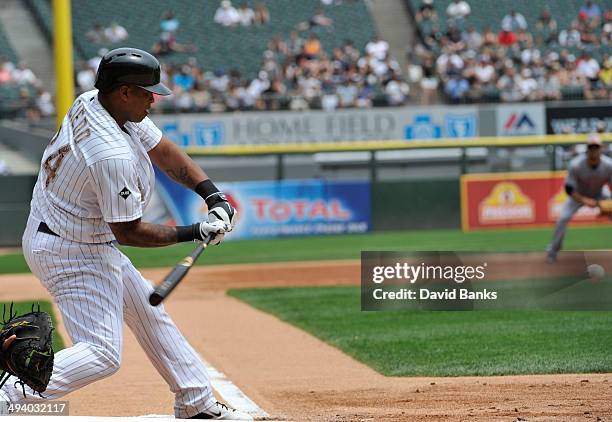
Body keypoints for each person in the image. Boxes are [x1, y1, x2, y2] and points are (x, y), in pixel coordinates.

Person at [0, 48, 250, 420]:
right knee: (102, 353)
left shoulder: (97, 102)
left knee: (150, 310)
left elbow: (164, 151)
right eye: (147, 91)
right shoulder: (108, 152)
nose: (154, 98)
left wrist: (211, 194)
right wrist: (196, 230)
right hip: (70, 250)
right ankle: (6, 394)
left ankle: (196, 404)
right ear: (123, 92)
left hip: (74, 235)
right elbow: (129, 231)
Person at [547, 135, 612, 263]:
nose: (594, 150)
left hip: (600, 193)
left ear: (601, 149)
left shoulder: (609, 165)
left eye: (596, 147)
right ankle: (552, 252)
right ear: (586, 149)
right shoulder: (576, 164)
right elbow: (569, 189)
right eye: (591, 147)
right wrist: (586, 201)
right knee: (563, 219)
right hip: (578, 194)